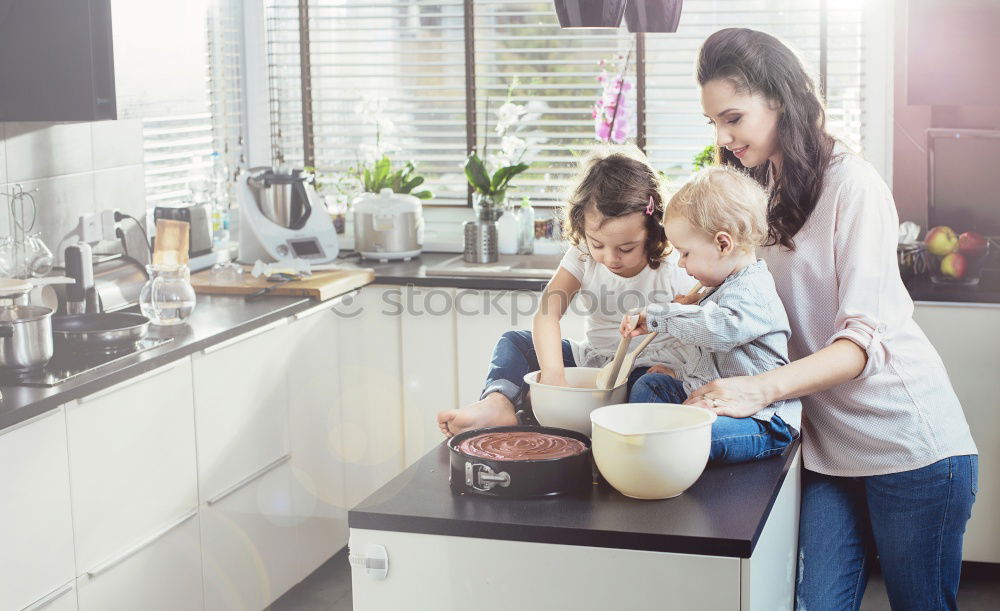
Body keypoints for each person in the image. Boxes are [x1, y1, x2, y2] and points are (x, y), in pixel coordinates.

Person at [688, 28, 977, 609]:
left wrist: (756, 389)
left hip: (909, 446)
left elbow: (860, 345)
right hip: (825, 447)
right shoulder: (756, 187)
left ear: (779, 98)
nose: (723, 138)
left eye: (733, 118)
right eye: (714, 123)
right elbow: (745, 282)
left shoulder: (854, 185)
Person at [437, 145, 697, 437]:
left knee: (645, 389)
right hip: (594, 359)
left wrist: (677, 371)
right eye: (598, 243)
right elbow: (547, 315)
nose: (610, 258)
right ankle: (498, 403)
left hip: (647, 365)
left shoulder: (674, 265)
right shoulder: (583, 255)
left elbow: (702, 331)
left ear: (654, 229)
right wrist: (553, 377)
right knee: (514, 342)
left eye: (626, 248)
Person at [621, 165, 800, 464]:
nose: (680, 263)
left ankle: (658, 450)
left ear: (722, 244)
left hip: (761, 420)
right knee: (651, 386)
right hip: (710, 402)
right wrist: (682, 376)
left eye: (685, 253)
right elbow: (714, 363)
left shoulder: (753, 290)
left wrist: (660, 316)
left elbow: (719, 332)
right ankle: (649, 448)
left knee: (696, 433)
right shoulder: (719, 287)